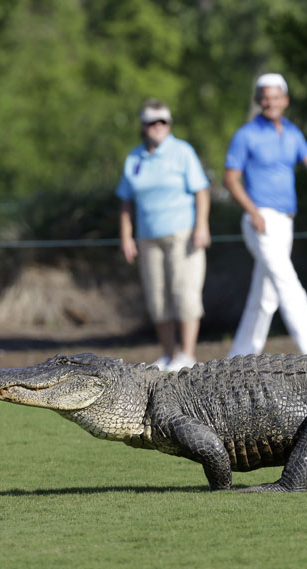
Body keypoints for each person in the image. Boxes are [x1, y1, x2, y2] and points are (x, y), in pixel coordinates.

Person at [223, 73, 307, 357]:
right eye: (265, 97)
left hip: (285, 221)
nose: (270, 102)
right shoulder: (246, 135)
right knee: (288, 284)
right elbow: (230, 179)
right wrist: (252, 211)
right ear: (258, 100)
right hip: (261, 219)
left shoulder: (292, 133)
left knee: (265, 297)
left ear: (285, 100)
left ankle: (240, 357)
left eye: (275, 97)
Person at [116, 99, 211, 371]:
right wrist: (126, 235)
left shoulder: (183, 152)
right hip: (148, 237)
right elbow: (126, 200)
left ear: (168, 124)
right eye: (151, 122)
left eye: (162, 121)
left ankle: (187, 355)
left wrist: (201, 226)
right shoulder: (134, 157)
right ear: (143, 126)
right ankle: (168, 354)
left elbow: (201, 191)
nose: (157, 126)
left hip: (183, 234)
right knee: (157, 297)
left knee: (185, 293)